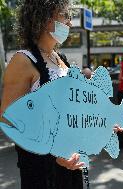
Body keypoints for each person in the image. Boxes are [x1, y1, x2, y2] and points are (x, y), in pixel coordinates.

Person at [0, 1, 85, 188]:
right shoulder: (23, 60)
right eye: (65, 15)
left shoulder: (60, 59)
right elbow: (8, 121)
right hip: (42, 168)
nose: (70, 23)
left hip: (71, 160)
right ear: (46, 18)